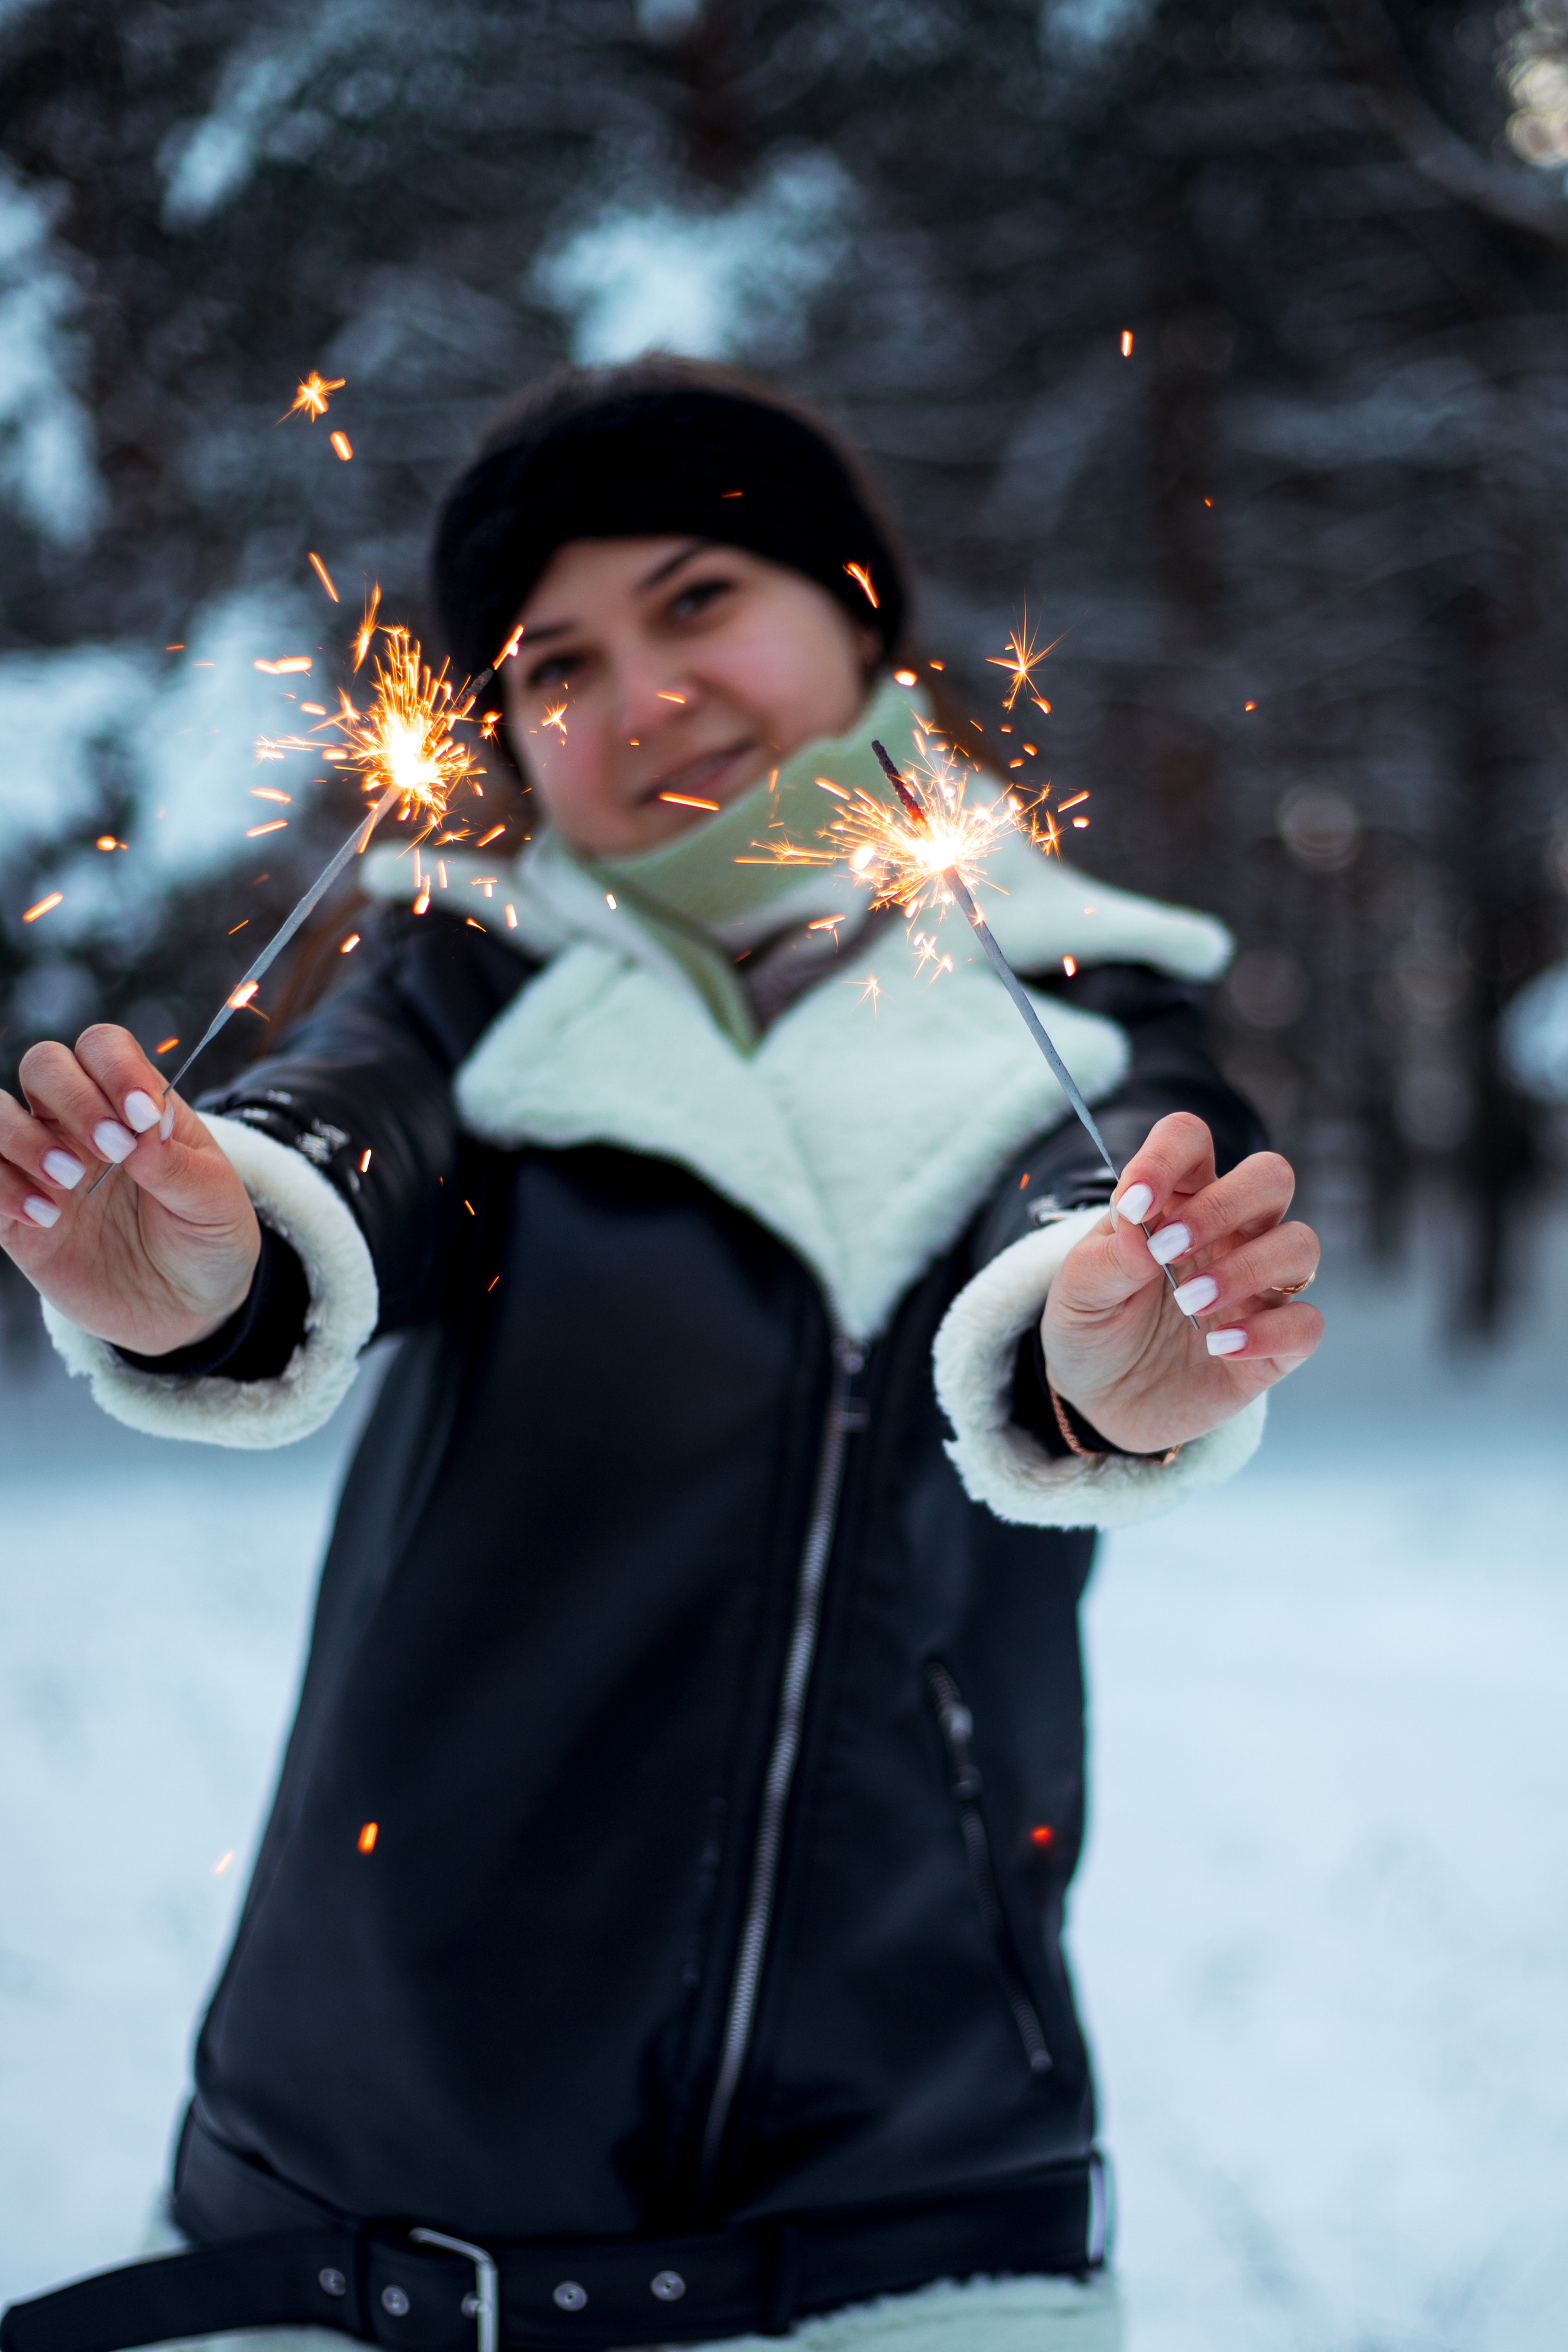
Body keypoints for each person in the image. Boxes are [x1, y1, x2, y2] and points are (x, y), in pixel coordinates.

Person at [0, 360, 1322, 2352]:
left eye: (701, 600)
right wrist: (211, 1264)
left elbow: (1083, 1188)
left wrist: (1087, 1359)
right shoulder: (462, 990)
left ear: (857, 609)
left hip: (920, 2190)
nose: (640, 697)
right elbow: (343, 1146)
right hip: (368, 2172)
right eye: (556, 665)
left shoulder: (1087, 995)